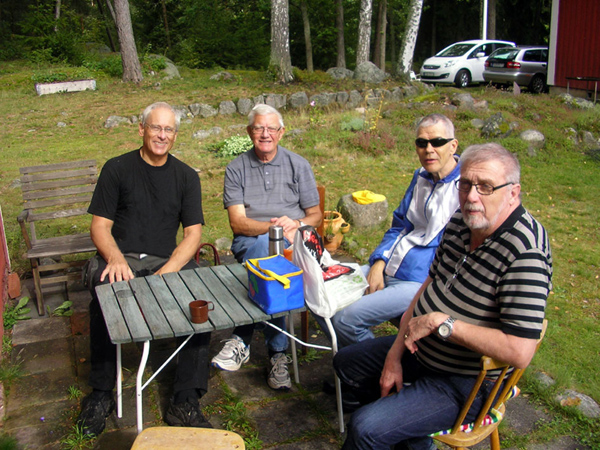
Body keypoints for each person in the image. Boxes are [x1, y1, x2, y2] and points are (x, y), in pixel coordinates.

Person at [333, 143, 552, 450]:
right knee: (346, 363)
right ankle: (410, 437)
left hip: (467, 380)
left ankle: (393, 431)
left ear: (513, 193)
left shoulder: (525, 254)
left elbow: (518, 351)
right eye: (465, 185)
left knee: (366, 428)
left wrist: (443, 323)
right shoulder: (461, 221)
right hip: (421, 351)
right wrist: (395, 354)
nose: (472, 197)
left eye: (486, 187)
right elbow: (428, 287)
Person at [77, 102, 212, 436]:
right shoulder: (117, 169)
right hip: (120, 258)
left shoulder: (185, 177)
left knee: (202, 305)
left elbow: (193, 234)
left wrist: (169, 270)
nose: (161, 135)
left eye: (168, 130)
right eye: (155, 128)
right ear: (142, 129)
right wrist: (115, 258)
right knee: (103, 296)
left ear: (175, 135)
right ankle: (101, 392)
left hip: (165, 261)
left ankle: (185, 399)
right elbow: (99, 227)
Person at [211, 104, 322, 390]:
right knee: (267, 250)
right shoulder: (236, 168)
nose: (265, 134)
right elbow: (238, 224)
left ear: (281, 132)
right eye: (259, 128)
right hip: (250, 243)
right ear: (249, 132)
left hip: (291, 242)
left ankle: (242, 339)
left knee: (274, 254)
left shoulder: (298, 165)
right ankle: (278, 355)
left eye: (271, 128)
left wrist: (295, 224)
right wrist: (273, 229)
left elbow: (316, 215)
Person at [326, 113, 461, 348]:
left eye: (437, 142)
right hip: (391, 266)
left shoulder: (467, 187)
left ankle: (376, 370)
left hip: (419, 281)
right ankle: (356, 370)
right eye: (421, 143)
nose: (429, 149)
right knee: (322, 296)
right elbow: (400, 225)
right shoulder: (420, 177)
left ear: (453, 145)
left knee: (344, 319)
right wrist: (379, 262)